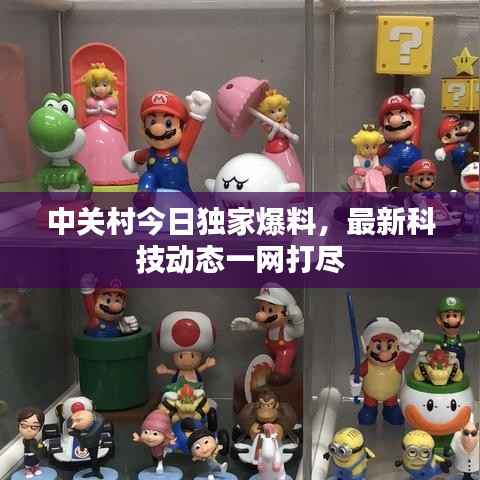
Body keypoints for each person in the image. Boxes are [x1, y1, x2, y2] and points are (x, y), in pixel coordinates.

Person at [231, 284, 304, 385]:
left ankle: (283, 373)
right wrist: (250, 325)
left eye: (270, 310)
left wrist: (298, 319)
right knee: (269, 368)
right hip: (272, 353)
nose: (261, 315)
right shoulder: (269, 327)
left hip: (285, 353)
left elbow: (299, 332)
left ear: (287, 312)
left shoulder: (286, 330)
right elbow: (259, 326)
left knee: (280, 374)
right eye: (262, 308)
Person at [17, 407, 45, 479]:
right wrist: (38, 447)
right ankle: (28, 470)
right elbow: (32, 448)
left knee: (35, 461)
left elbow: (36, 447)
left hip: (34, 455)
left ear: (40, 428)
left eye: (34, 427)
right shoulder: (25, 440)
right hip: (28, 454)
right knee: (28, 462)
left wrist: (39, 446)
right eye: (24, 425)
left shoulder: (34, 440)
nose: (29, 430)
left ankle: (36, 468)